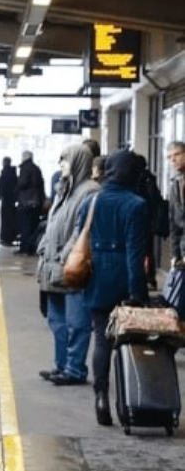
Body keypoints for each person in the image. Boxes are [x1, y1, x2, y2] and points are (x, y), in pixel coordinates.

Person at [79, 149, 149, 426]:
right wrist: (138, 294)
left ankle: (100, 398)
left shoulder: (91, 201)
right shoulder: (136, 204)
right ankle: (127, 400)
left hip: (95, 277)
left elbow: (80, 237)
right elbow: (135, 253)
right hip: (122, 279)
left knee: (101, 339)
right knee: (126, 342)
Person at [35, 144, 98, 386]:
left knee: (76, 323)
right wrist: (44, 246)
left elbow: (83, 229)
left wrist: (65, 254)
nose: (61, 164)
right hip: (53, 267)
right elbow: (54, 223)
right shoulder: (65, 190)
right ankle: (61, 365)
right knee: (56, 321)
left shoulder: (89, 191)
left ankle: (74, 369)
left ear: (79, 162)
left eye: (65, 160)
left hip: (71, 267)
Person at [132, 153, 163, 289]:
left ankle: (146, 278)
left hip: (141, 219)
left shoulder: (138, 179)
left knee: (140, 250)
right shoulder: (150, 177)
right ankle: (150, 278)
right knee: (148, 251)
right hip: (148, 220)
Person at [16, 149, 46, 255]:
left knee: (25, 226)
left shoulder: (25, 168)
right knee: (33, 225)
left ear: (24, 158)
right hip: (36, 202)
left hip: (26, 202)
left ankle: (24, 248)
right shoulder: (36, 168)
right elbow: (41, 184)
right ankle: (32, 248)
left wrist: (16, 187)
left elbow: (22, 183)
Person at [166, 141, 185, 271]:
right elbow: (174, 223)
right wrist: (175, 253)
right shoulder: (175, 184)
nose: (173, 159)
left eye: (177, 154)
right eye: (169, 157)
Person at [0, 156, 18, 246]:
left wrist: (0, 195)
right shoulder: (12, 172)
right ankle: (6, 238)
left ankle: (6, 238)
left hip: (7, 200)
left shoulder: (6, 172)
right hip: (10, 200)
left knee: (6, 220)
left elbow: (2, 185)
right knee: (8, 219)